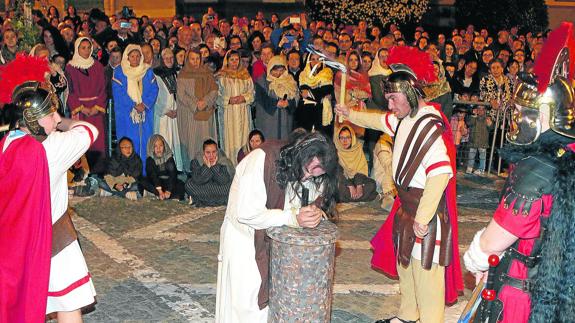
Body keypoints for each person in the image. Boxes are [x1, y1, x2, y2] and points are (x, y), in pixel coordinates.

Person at [335, 46, 463, 323]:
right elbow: (378, 120)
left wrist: (424, 216)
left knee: (426, 273)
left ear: (409, 94)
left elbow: (441, 174)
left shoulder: (428, 124)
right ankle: (408, 315)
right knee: (406, 266)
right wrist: (349, 113)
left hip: (424, 212)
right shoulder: (404, 118)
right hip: (407, 207)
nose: (390, 105)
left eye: (393, 99)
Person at [463, 22, 575, 323]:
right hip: (553, 286)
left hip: (522, 293)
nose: (516, 120)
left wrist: (475, 255)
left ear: (542, 117)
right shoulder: (568, 156)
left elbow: (494, 240)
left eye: (521, 113)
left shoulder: (538, 168)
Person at [0, 55, 97, 322]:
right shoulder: (52, 149)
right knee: (68, 304)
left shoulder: (6, 143)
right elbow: (90, 132)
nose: (55, 119)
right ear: (32, 119)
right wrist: (64, 123)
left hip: (13, 244)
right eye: (49, 114)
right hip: (52, 239)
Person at [215, 131, 339, 323]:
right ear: (301, 154)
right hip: (244, 240)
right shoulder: (262, 158)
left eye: (316, 174)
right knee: (245, 305)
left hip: (270, 240)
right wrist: (293, 217)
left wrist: (312, 211)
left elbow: (312, 193)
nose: (307, 178)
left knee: (266, 306)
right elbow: (247, 213)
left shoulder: (310, 168)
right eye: (308, 171)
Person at [66, 37, 107, 173]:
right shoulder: (70, 67)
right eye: (83, 48)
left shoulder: (98, 66)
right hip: (80, 111)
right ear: (77, 49)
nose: (86, 50)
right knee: (81, 141)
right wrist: (81, 107)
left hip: (95, 111)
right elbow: (69, 91)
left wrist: (96, 108)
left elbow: (103, 89)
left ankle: (98, 172)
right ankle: (82, 173)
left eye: (88, 47)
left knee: (97, 140)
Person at [112, 44, 159, 163]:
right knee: (128, 142)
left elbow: (154, 89)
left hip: (145, 114)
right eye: (132, 56)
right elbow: (119, 92)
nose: (135, 59)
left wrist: (144, 104)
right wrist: (133, 105)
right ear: (127, 57)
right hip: (127, 114)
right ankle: (129, 172)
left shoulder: (147, 71)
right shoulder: (119, 72)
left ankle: (144, 171)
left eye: (138, 56)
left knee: (145, 141)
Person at [177, 49, 219, 167]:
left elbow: (214, 90)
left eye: (197, 59)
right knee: (192, 142)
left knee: (206, 139)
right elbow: (181, 95)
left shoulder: (207, 73)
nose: (195, 62)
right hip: (190, 115)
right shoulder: (183, 74)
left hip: (205, 114)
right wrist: (195, 104)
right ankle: (193, 168)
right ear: (187, 59)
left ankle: (210, 165)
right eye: (192, 59)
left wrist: (205, 102)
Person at [216, 50, 254, 166]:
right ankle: (230, 167)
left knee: (243, 138)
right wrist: (228, 99)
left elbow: (252, 92)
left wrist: (244, 97)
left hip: (243, 112)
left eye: (236, 60)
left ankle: (244, 165)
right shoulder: (221, 76)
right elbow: (217, 95)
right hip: (228, 113)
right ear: (227, 61)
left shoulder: (245, 75)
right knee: (229, 141)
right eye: (231, 60)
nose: (234, 62)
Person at [153, 48, 184, 171]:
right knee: (163, 139)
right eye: (166, 58)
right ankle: (162, 167)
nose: (169, 60)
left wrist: (177, 109)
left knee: (174, 140)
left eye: (171, 58)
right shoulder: (156, 74)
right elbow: (155, 95)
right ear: (162, 59)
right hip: (162, 115)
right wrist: (166, 110)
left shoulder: (176, 73)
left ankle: (175, 167)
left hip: (175, 114)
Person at [254, 55, 298, 140]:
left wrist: (288, 103)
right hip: (268, 121)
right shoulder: (262, 80)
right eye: (275, 71)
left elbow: (296, 97)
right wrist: (276, 103)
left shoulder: (290, 80)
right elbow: (261, 99)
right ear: (270, 69)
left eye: (281, 71)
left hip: (285, 121)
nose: (278, 74)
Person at [185, 139, 234, 206]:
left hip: (217, 188)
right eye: (208, 152)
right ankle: (223, 200)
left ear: (217, 152)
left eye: (214, 152)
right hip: (207, 188)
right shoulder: (196, 161)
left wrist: (214, 166)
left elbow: (224, 181)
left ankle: (199, 200)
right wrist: (206, 167)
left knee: (231, 186)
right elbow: (198, 180)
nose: (211, 155)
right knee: (189, 184)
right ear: (203, 152)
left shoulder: (223, 161)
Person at [335, 125, 378, 202]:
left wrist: (359, 185)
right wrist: (350, 185)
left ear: (352, 138)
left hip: (358, 179)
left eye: (348, 137)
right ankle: (365, 197)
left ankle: (349, 197)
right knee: (337, 188)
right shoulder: (336, 151)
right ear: (338, 139)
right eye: (342, 138)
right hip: (344, 181)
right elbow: (337, 171)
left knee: (372, 184)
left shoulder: (358, 148)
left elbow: (361, 169)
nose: (345, 141)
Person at [141, 134, 185, 200]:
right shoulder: (150, 159)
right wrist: (160, 191)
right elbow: (153, 175)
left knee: (181, 184)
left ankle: (169, 196)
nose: (158, 148)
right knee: (142, 181)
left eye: (161, 145)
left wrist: (168, 190)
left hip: (168, 182)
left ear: (164, 146)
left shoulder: (168, 157)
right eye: (155, 146)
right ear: (151, 148)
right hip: (155, 183)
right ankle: (157, 194)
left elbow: (173, 174)